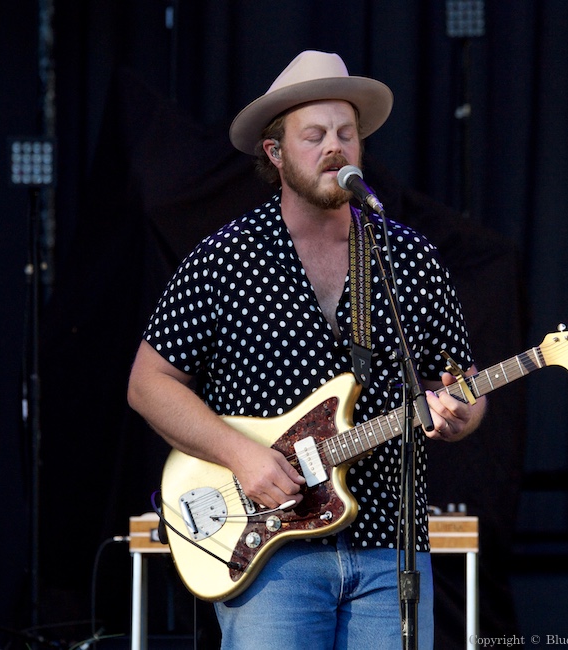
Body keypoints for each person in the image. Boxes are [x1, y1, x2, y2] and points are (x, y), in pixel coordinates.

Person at [127, 50, 487, 650]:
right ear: (276, 153)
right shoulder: (227, 258)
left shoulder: (409, 257)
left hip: (388, 550)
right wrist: (241, 456)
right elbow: (149, 383)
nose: (334, 148)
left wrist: (458, 413)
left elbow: (463, 385)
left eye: (346, 133)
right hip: (270, 556)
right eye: (313, 135)